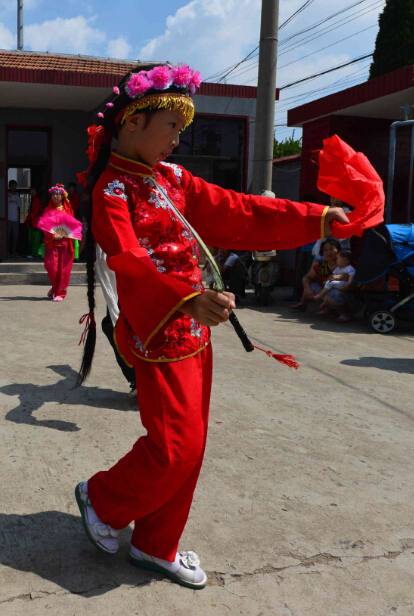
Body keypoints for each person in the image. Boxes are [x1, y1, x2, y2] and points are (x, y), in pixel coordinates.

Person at [73, 63, 349, 589]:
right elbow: (128, 259)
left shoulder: (173, 179)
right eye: (170, 127)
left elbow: (240, 212)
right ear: (132, 121)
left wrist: (315, 218)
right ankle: (103, 498)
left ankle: (157, 544)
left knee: (191, 448)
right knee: (174, 448)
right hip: (158, 333)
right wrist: (185, 297)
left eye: (180, 130)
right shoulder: (113, 189)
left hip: (195, 329)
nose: (178, 139)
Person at [96, 242, 137, 396]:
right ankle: (137, 377)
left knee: (117, 327)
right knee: (113, 326)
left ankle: (141, 377)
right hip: (119, 282)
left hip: (134, 278)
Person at [43, 184, 77, 302]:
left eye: (57, 194)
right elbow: (45, 227)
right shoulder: (47, 210)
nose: (55, 196)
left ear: (62, 196)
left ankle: (60, 293)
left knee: (64, 270)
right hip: (53, 244)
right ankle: (55, 286)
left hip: (66, 244)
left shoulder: (68, 210)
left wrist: (66, 234)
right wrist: (53, 236)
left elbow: (73, 226)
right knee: (51, 268)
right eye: (53, 194)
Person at [314, 249, 356, 322]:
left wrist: (348, 283)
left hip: (344, 285)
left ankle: (321, 296)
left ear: (344, 260)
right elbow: (332, 276)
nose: (336, 260)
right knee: (328, 285)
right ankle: (326, 301)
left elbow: (351, 277)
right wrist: (328, 280)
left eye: (337, 258)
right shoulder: (338, 268)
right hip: (338, 285)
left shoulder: (350, 268)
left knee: (331, 284)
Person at [24, 186, 43, 259]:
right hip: (32, 223)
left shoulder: (37, 200)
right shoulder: (32, 200)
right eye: (31, 191)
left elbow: (35, 212)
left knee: (35, 240)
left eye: (34, 190)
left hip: (36, 223)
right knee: (31, 239)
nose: (32, 192)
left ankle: (35, 254)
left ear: (36, 192)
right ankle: (33, 253)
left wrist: (27, 218)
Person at [7, 180, 21, 257]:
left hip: (15, 219)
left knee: (15, 237)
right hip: (8, 219)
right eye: (12, 186)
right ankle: (7, 252)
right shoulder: (7, 196)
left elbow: (19, 209)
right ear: (9, 187)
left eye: (15, 186)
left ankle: (14, 252)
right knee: (8, 236)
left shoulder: (17, 197)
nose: (14, 187)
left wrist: (19, 220)